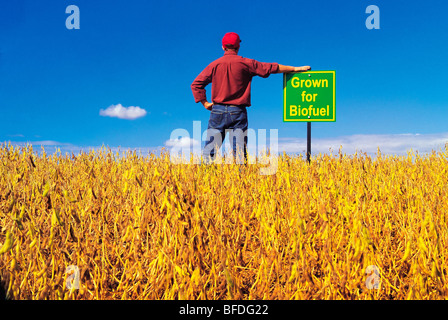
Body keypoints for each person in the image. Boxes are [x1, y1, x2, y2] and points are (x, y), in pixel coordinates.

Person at [191, 32, 311, 163]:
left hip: (217, 111)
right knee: (240, 153)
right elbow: (271, 68)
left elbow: (196, 84)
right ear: (238, 47)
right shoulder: (246, 63)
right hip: (238, 112)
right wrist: (294, 69)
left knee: (210, 152)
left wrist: (205, 103)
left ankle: (206, 179)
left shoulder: (214, 65)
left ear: (223, 47)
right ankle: (241, 181)